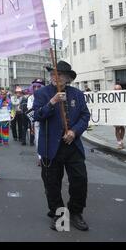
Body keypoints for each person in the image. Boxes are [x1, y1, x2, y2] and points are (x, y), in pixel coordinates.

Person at [33, 61, 90, 231]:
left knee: (80, 180)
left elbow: (85, 116)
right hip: (51, 146)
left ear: (66, 79)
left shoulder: (77, 94)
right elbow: (37, 115)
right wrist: (51, 102)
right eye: (52, 75)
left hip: (72, 145)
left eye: (58, 75)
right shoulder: (42, 93)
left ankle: (75, 212)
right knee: (52, 184)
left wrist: (74, 131)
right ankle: (58, 214)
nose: (54, 78)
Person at [26, 78, 45, 166]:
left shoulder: (47, 96)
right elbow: (30, 111)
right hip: (37, 122)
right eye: (35, 87)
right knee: (38, 140)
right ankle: (40, 158)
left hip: (47, 122)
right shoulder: (30, 98)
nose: (36, 88)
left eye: (39, 86)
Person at [113, 84, 126, 149]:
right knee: (117, 128)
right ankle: (119, 143)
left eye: (119, 89)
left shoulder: (124, 95)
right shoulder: (111, 95)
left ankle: (121, 141)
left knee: (123, 128)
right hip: (116, 114)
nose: (118, 90)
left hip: (123, 114)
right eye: (116, 89)